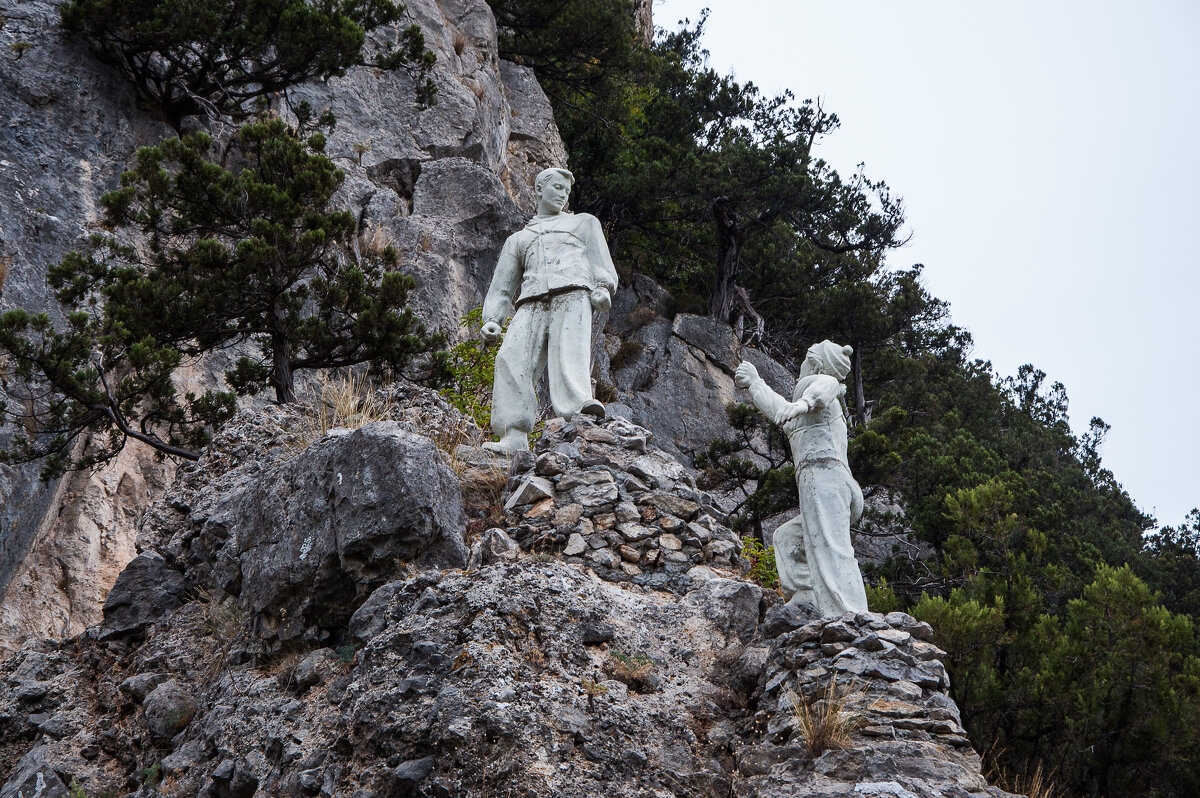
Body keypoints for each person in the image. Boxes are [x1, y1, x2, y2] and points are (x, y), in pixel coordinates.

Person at [480, 168, 618, 453]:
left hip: (573, 293)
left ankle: (579, 410)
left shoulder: (584, 223)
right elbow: (502, 288)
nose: (562, 194)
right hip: (530, 302)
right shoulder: (519, 239)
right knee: (510, 358)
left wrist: (603, 287)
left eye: (566, 191)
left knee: (570, 351)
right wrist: (493, 318)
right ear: (540, 190)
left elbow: (600, 260)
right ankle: (513, 435)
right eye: (557, 188)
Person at [734, 341, 869, 616]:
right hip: (822, 481)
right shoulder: (803, 411)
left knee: (832, 548)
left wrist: (804, 403)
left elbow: (827, 387)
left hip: (826, 477)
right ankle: (807, 599)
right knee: (787, 539)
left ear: (816, 364)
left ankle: (851, 615)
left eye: (808, 359)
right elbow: (778, 410)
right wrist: (756, 383)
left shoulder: (821, 385)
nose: (803, 365)